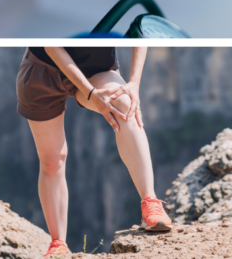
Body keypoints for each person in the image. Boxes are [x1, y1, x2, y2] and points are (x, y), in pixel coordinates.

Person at [17, 47, 171, 257]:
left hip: (95, 68)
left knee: (125, 106)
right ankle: (58, 244)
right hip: (44, 70)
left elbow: (140, 31)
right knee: (53, 160)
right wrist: (89, 92)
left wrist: (134, 83)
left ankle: (150, 203)